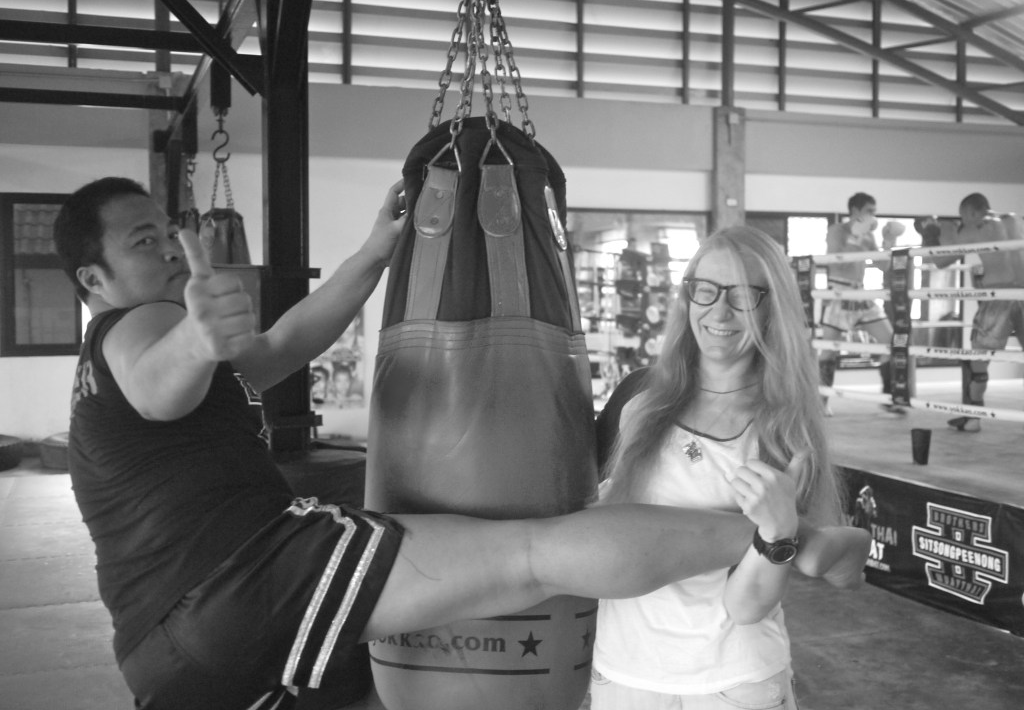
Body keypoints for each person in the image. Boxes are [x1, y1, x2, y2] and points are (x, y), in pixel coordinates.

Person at [54, 177, 862, 710]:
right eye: (140, 242)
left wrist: (376, 253)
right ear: (93, 282)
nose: (164, 249)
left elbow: (275, 349)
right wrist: (195, 338)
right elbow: (158, 375)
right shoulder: (137, 330)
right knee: (531, 554)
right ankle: (790, 538)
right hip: (237, 578)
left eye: (165, 232)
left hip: (168, 663)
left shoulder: (113, 377)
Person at [590, 225, 870, 710]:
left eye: (743, 296)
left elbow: (750, 604)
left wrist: (781, 531)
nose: (719, 311)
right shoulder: (639, 399)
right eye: (706, 290)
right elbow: (595, 529)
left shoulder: (784, 427)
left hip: (731, 680)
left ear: (771, 307)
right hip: (624, 669)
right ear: (687, 297)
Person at [933, 192, 1024, 432]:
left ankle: (973, 417)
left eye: (963, 216)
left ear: (971, 212)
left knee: (978, 362)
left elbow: (941, 262)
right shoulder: (1015, 220)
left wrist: (939, 233)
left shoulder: (976, 228)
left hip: (999, 299)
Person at [818, 192, 905, 414]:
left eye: (874, 211)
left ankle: (889, 398)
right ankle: (820, 404)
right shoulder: (837, 231)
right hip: (839, 292)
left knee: (892, 342)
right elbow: (837, 258)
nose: (873, 215)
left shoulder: (868, 235)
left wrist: (888, 242)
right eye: (869, 211)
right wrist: (856, 238)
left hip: (860, 294)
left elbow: (883, 266)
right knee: (828, 352)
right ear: (855, 211)